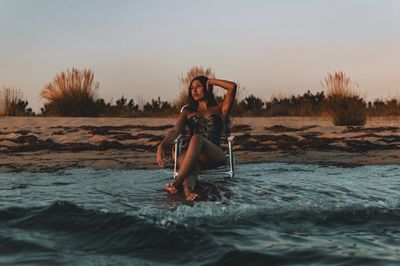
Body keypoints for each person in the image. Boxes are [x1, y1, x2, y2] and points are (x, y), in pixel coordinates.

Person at [156, 76, 237, 201]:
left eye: (198, 86)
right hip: (192, 154)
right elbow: (175, 130)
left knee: (197, 138)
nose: (194, 90)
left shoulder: (220, 109)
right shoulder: (188, 112)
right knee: (191, 165)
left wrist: (211, 81)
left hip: (213, 154)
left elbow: (232, 87)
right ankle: (188, 192)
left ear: (207, 88)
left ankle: (176, 183)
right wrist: (162, 145)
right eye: (192, 88)